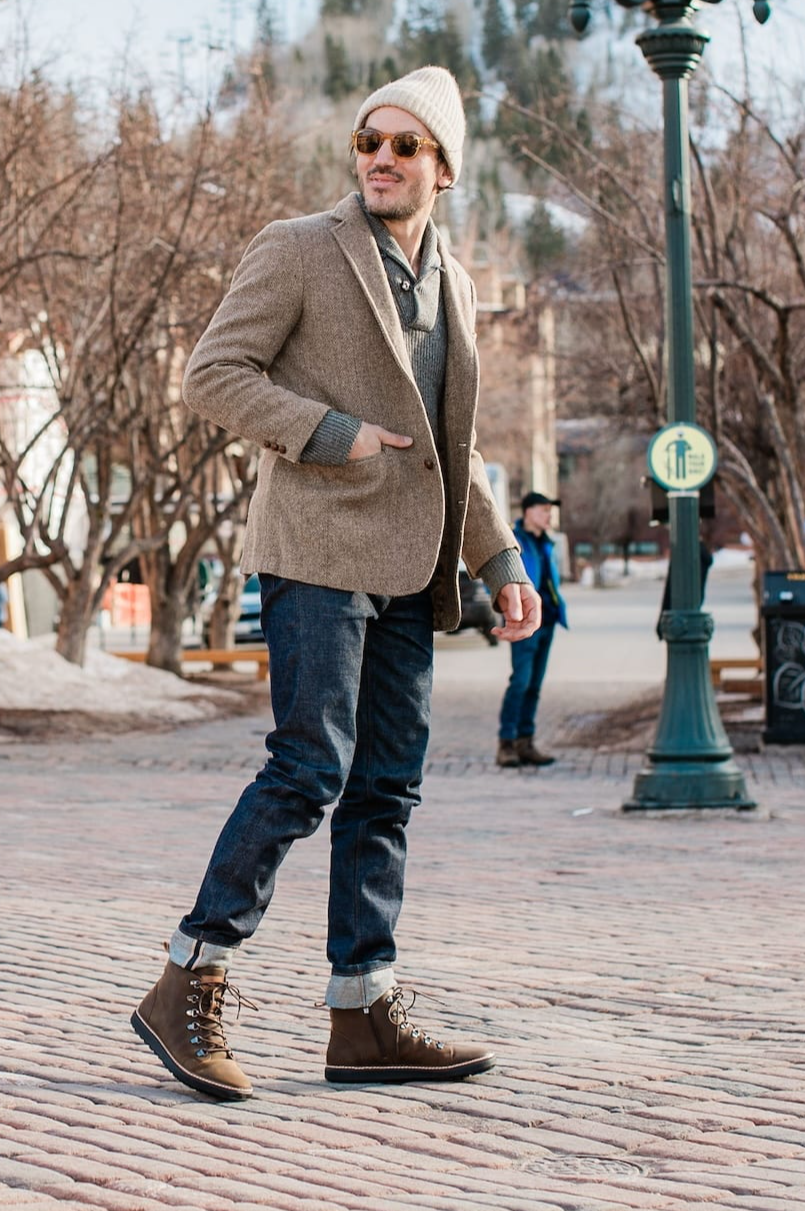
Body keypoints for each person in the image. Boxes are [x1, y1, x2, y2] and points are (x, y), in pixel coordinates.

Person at [131, 66, 540, 1102]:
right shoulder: (301, 247)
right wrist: (331, 432)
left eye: (407, 146)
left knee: (388, 784)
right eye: (370, 141)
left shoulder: (454, 281)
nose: (382, 160)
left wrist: (500, 559)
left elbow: (460, 444)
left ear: (443, 169)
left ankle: (362, 1012)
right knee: (310, 766)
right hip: (316, 548)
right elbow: (214, 374)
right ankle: (190, 974)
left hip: (413, 565)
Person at [496, 491, 568, 768]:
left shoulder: (547, 542)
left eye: (550, 510)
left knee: (535, 685)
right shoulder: (514, 541)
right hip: (523, 621)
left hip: (548, 619)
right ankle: (507, 743)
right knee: (521, 681)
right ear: (527, 512)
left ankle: (526, 742)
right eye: (543, 510)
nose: (548, 515)